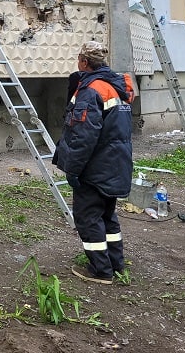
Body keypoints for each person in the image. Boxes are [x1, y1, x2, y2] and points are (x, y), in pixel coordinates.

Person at [53, 40, 135, 284]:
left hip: (95, 167)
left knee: (88, 217)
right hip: (115, 164)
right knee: (107, 215)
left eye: (79, 59)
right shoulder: (115, 86)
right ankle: (116, 263)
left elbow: (83, 136)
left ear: (84, 62)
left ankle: (101, 270)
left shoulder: (91, 91)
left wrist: (74, 170)